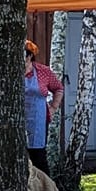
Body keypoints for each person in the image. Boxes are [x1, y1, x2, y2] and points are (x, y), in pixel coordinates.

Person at [24, 41, 63, 174]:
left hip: (38, 121)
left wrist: (53, 107)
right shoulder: (10, 74)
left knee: (38, 158)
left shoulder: (43, 71)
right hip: (17, 121)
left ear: (29, 56)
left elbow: (58, 88)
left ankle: (46, 190)